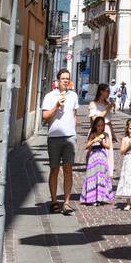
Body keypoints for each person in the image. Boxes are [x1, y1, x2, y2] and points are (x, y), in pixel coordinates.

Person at [42, 68, 78, 215]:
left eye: (67, 79)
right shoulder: (50, 96)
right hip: (54, 137)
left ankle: (67, 202)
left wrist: (73, 130)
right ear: (57, 80)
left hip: (69, 137)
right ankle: (54, 201)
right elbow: (45, 116)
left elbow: (75, 115)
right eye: (63, 78)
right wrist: (57, 106)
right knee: (54, 170)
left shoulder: (74, 96)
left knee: (68, 170)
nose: (65, 81)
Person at [82, 117, 113, 205]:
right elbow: (86, 146)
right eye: (98, 125)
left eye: (102, 125)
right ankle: (92, 197)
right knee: (93, 176)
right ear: (95, 126)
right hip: (93, 156)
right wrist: (93, 140)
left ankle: (101, 197)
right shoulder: (93, 134)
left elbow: (108, 146)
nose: (100, 127)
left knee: (101, 175)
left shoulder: (106, 134)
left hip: (102, 156)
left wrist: (102, 142)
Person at [89, 83, 117, 178]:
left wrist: (113, 134)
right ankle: (96, 173)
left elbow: (109, 121)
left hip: (107, 130)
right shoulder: (93, 104)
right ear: (101, 91)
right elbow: (95, 120)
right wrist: (107, 109)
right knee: (96, 152)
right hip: (97, 130)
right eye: (107, 91)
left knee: (107, 153)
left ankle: (106, 174)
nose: (109, 93)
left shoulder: (107, 103)